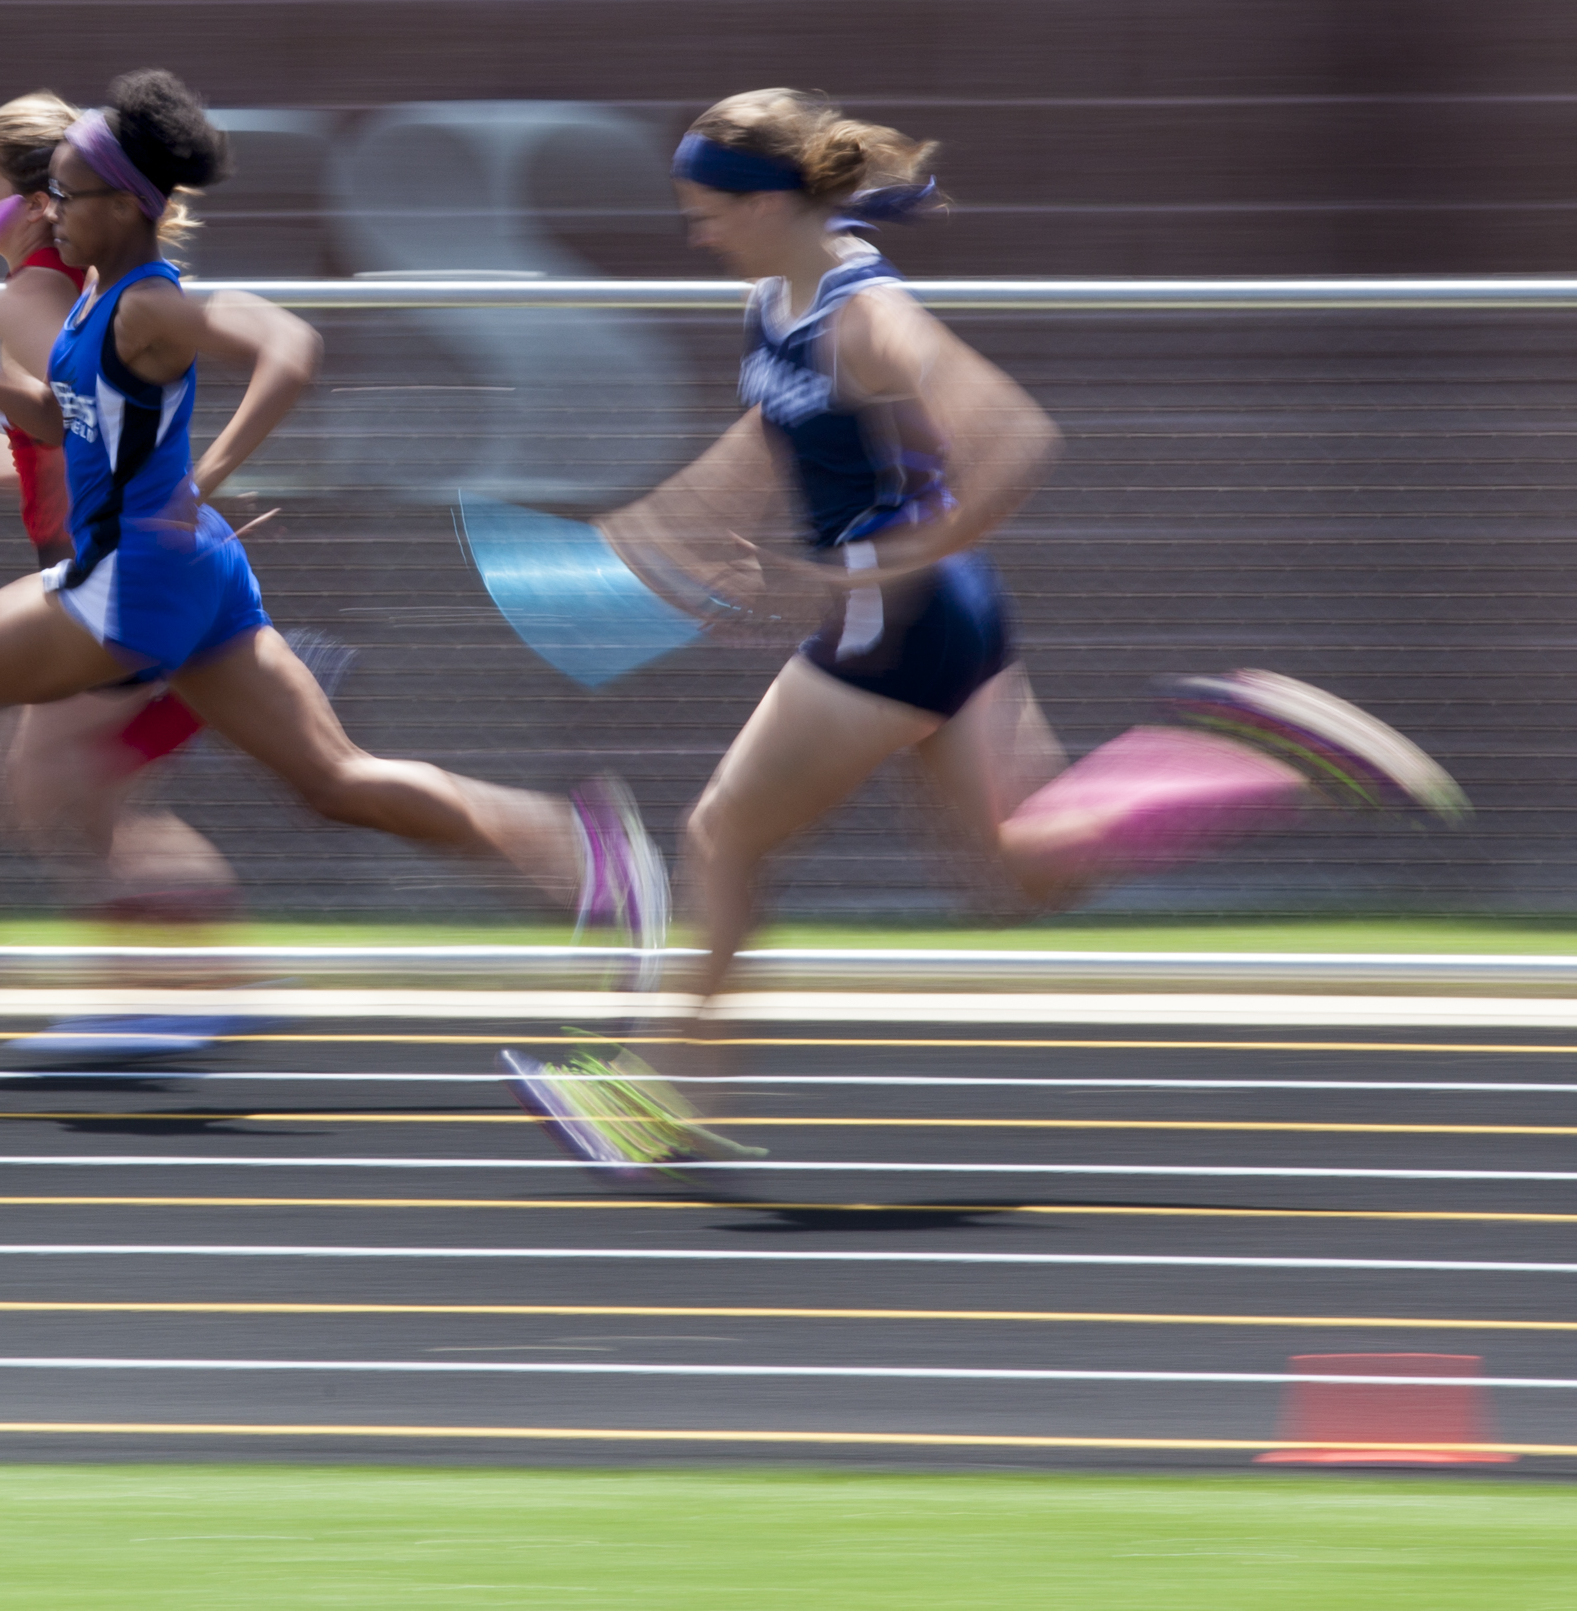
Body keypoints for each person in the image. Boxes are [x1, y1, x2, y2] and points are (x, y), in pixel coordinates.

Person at [506, 88, 1469, 1176]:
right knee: (1010, 873)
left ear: (772, 200)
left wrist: (885, 561)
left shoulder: (869, 312)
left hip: (900, 617)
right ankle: (1246, 753)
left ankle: (658, 1091)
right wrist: (683, 518)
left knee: (724, 832)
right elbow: (783, 420)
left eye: (710, 210)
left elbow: (1013, 437)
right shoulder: (782, 292)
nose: (698, 232)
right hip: (939, 611)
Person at [0, 69, 665, 994]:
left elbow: (292, 346)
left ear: (122, 206)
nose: (47, 210)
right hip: (196, 570)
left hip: (138, 578)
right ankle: (586, 858)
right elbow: (74, 422)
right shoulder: (94, 299)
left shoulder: (143, 302)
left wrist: (205, 475)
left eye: (62, 194)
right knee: (337, 779)